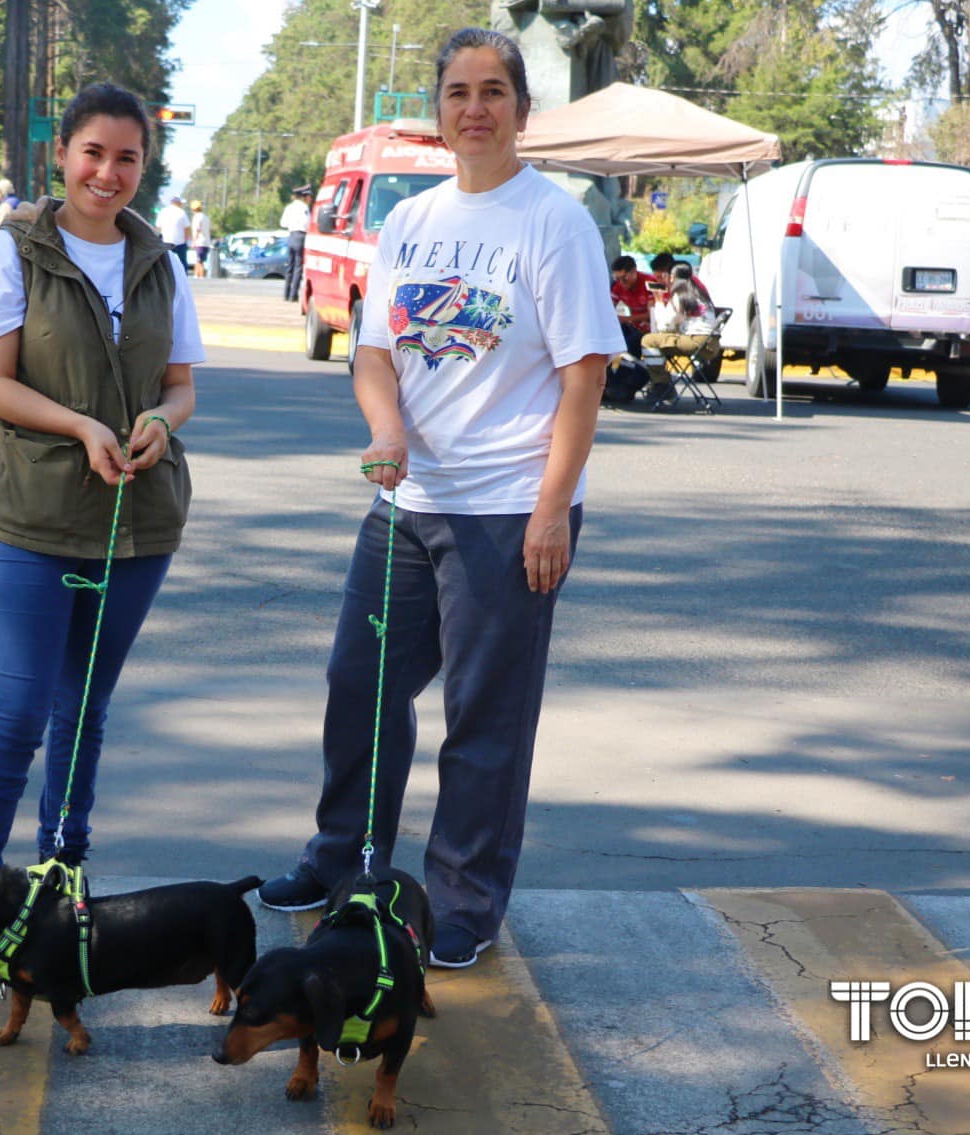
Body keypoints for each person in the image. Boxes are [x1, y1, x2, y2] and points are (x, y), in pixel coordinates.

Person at [256, 27, 620, 970]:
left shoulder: (555, 222)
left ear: (521, 111)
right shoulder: (412, 221)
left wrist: (552, 509)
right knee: (360, 686)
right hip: (405, 503)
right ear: (440, 109)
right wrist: (386, 430)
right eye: (458, 91)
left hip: (508, 511)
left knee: (484, 715)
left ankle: (463, 901)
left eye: (493, 91)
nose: (474, 108)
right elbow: (375, 351)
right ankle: (343, 864)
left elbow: (585, 378)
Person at [0, 81, 204, 984]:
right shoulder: (12, 252)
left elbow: (181, 385)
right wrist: (84, 426)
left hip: (138, 525)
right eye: (94, 152)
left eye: (127, 157)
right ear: (63, 153)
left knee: (83, 710)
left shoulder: (160, 262)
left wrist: (161, 422)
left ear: (144, 165)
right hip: (33, 521)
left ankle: (62, 884)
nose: (108, 172)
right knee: (15, 715)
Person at [609, 254, 657, 357]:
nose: (621, 283)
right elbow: (609, 308)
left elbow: (652, 314)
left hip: (651, 328)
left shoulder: (649, 283)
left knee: (629, 345)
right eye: (617, 279)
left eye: (624, 278)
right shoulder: (617, 287)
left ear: (634, 271)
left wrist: (627, 318)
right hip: (633, 327)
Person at [280, 185, 312, 302]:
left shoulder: (289, 207)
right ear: (304, 197)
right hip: (301, 236)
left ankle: (286, 294)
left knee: (290, 266)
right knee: (298, 267)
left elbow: (283, 223)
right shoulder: (304, 208)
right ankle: (294, 295)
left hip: (291, 236)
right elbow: (307, 224)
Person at [156, 194, 189, 270]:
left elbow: (158, 228)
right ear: (177, 202)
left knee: (166, 264)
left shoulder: (163, 212)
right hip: (180, 242)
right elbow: (187, 228)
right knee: (182, 263)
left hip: (166, 242)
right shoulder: (182, 212)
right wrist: (187, 240)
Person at [189, 199, 211, 280]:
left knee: (199, 260)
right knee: (200, 260)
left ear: (193, 209)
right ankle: (198, 275)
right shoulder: (206, 217)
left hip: (199, 242)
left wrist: (194, 241)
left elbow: (198, 229)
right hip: (206, 242)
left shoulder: (197, 217)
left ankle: (199, 276)